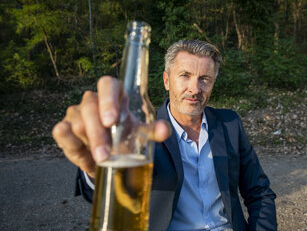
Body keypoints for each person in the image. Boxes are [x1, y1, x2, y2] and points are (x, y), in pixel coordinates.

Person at [52, 40, 277, 230]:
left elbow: (259, 192)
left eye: (204, 79)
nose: (195, 88)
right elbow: (113, 196)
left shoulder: (229, 123)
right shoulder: (142, 130)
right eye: (185, 76)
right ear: (167, 80)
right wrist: (96, 168)